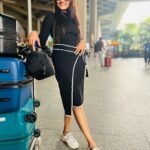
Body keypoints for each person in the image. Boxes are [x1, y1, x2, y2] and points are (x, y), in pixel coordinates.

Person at [28, 0, 99, 150]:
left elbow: (78, 38)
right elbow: (40, 42)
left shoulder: (74, 18)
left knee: (77, 101)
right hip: (62, 61)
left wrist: (83, 41)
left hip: (79, 61)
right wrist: (33, 32)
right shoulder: (51, 17)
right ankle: (90, 142)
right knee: (71, 100)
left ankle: (66, 133)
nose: (62, 1)